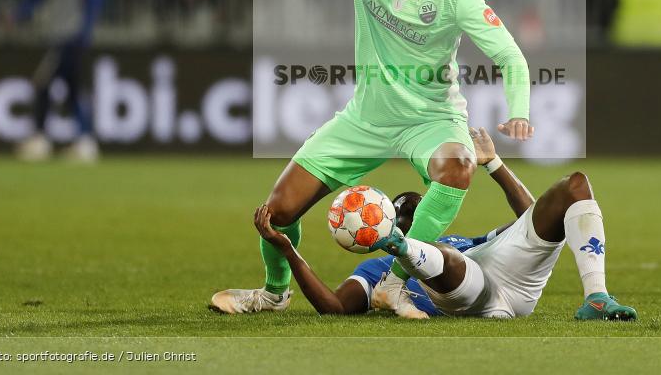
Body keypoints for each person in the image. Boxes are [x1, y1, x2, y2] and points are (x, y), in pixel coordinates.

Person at [211, 0, 533, 318]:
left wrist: (520, 108)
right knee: (278, 211)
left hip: (431, 119)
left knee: (457, 167)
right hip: (367, 117)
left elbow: (508, 53)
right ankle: (273, 294)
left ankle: (394, 282)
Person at [250, 127, 637, 321]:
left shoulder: (457, 238)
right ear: (388, 226)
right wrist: (289, 250)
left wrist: (495, 165)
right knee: (446, 258)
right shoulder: (373, 271)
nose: (424, 212)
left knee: (574, 186)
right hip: (467, 294)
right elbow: (334, 307)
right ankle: (409, 254)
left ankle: (596, 297)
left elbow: (530, 223)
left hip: (511, 280)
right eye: (414, 213)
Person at [13, 0, 103, 162]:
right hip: (55, 34)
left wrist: (85, 31)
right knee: (73, 89)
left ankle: (42, 138)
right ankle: (84, 141)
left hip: (72, 36)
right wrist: (18, 14)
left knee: (43, 84)